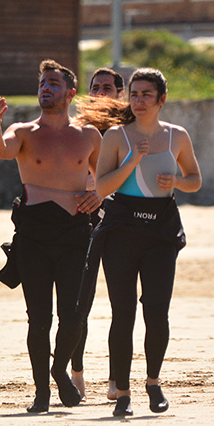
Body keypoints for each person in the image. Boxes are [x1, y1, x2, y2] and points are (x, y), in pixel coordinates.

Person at [0, 60, 103, 414]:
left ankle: (58, 370)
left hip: (75, 232)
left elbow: (106, 177)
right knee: (39, 318)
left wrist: (99, 196)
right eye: (42, 83)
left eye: (53, 83)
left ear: (70, 93)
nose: (45, 88)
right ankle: (41, 392)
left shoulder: (88, 136)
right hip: (34, 234)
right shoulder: (22, 132)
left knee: (74, 315)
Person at [91, 67, 202, 417]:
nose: (138, 101)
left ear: (161, 100)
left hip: (161, 231)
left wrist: (179, 183)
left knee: (157, 311)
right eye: (134, 94)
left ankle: (153, 383)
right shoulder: (115, 137)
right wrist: (133, 160)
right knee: (122, 314)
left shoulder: (177, 136)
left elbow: (195, 180)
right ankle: (122, 392)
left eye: (146, 95)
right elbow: (102, 188)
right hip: (121, 229)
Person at [74, 66, 127, 402]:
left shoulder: (128, 130)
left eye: (108, 87)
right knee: (81, 302)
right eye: (96, 87)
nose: (101, 93)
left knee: (122, 304)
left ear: (120, 93)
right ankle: (77, 374)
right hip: (85, 218)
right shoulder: (77, 129)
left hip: (122, 218)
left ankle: (115, 378)